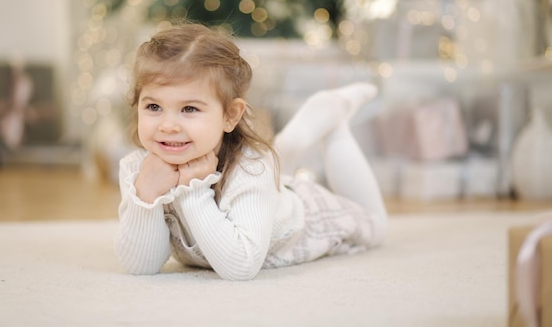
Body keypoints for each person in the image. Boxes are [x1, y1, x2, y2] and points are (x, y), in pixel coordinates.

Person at [115, 23, 388, 281]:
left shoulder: (250, 168)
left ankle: (335, 125)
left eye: (189, 109)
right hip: (264, 190)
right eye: (153, 107)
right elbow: (142, 266)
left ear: (230, 115)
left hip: (304, 215)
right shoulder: (138, 169)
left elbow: (241, 266)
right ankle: (293, 141)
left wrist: (194, 190)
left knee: (374, 226)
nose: (168, 126)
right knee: (268, 168)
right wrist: (146, 195)